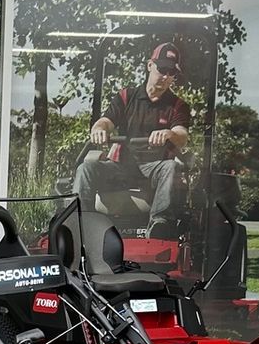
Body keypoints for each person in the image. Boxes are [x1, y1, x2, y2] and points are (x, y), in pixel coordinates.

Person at [74, 41, 192, 235]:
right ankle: (82, 222)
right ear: (149, 65)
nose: (166, 76)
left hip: (154, 168)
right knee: (86, 167)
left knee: (170, 167)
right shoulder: (126, 97)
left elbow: (181, 135)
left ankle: (160, 224)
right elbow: (105, 121)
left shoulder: (178, 105)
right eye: (162, 69)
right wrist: (99, 129)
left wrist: (169, 134)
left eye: (172, 73)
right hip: (121, 166)